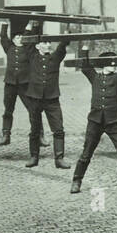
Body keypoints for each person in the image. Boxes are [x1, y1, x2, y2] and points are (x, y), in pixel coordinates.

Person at [71, 41, 117, 196]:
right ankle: (76, 181)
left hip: (114, 122)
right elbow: (85, 66)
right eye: (111, 63)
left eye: (115, 63)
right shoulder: (95, 77)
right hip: (95, 122)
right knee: (86, 154)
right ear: (103, 64)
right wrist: (85, 48)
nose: (114, 66)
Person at [23, 33, 72, 169]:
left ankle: (59, 159)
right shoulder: (32, 56)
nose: (48, 45)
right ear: (38, 45)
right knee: (35, 130)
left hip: (52, 100)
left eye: (49, 42)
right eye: (44, 43)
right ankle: (34, 157)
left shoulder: (54, 58)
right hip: (34, 99)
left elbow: (62, 46)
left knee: (58, 129)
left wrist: (67, 34)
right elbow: (27, 42)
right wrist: (33, 26)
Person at [0, 17, 40, 147]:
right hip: (10, 84)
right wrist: (4, 23)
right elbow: (3, 36)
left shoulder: (28, 49)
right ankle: (6, 135)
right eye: (16, 37)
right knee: (8, 110)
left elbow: (31, 38)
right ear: (13, 40)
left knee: (33, 110)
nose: (19, 39)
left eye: (21, 37)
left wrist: (30, 26)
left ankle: (40, 135)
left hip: (25, 84)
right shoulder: (8, 48)